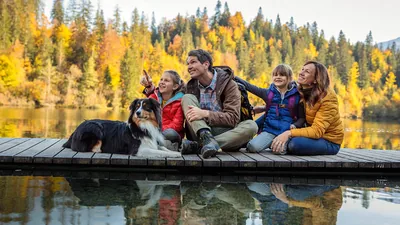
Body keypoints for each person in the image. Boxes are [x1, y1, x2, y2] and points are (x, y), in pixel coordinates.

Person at [181, 49, 258, 158]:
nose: (189, 67)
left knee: (252, 126)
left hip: (227, 135)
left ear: (206, 64)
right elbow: (170, 96)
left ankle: (200, 146)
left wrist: (205, 114)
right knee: (187, 98)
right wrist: (150, 90)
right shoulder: (190, 86)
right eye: (188, 64)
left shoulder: (229, 85)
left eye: (193, 62)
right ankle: (206, 139)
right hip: (200, 132)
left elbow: (233, 118)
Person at [271, 61, 344, 155]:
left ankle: (281, 145)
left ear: (315, 79)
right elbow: (280, 103)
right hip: (311, 136)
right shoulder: (301, 90)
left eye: (307, 71)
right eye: (302, 69)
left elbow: (317, 131)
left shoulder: (328, 97)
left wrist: (289, 133)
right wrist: (263, 108)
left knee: (295, 144)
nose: (301, 73)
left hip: (328, 141)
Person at [235, 64, 305, 153]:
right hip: (270, 131)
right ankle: (271, 143)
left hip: (287, 133)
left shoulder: (297, 95)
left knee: (279, 151)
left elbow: (302, 118)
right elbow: (250, 87)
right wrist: (234, 76)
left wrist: (295, 125)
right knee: (252, 147)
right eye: (275, 75)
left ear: (290, 78)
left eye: (282, 75)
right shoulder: (268, 93)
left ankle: (277, 145)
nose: (278, 77)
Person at [140, 70, 185, 149]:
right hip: (154, 132)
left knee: (170, 133)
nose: (162, 82)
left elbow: (177, 126)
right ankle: (159, 144)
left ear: (175, 86)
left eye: (166, 80)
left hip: (170, 133)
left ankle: (153, 142)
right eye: (161, 79)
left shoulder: (180, 101)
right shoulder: (154, 97)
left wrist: (157, 130)